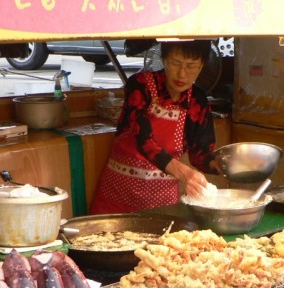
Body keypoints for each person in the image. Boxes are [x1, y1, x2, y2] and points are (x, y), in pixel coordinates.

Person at [90, 40, 218, 214]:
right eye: (176, 63)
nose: (182, 74)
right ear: (163, 59)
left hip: (162, 202)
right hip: (116, 197)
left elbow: (199, 153)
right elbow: (144, 140)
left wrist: (226, 167)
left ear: (202, 66)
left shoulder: (197, 100)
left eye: (191, 66)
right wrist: (184, 173)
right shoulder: (140, 85)